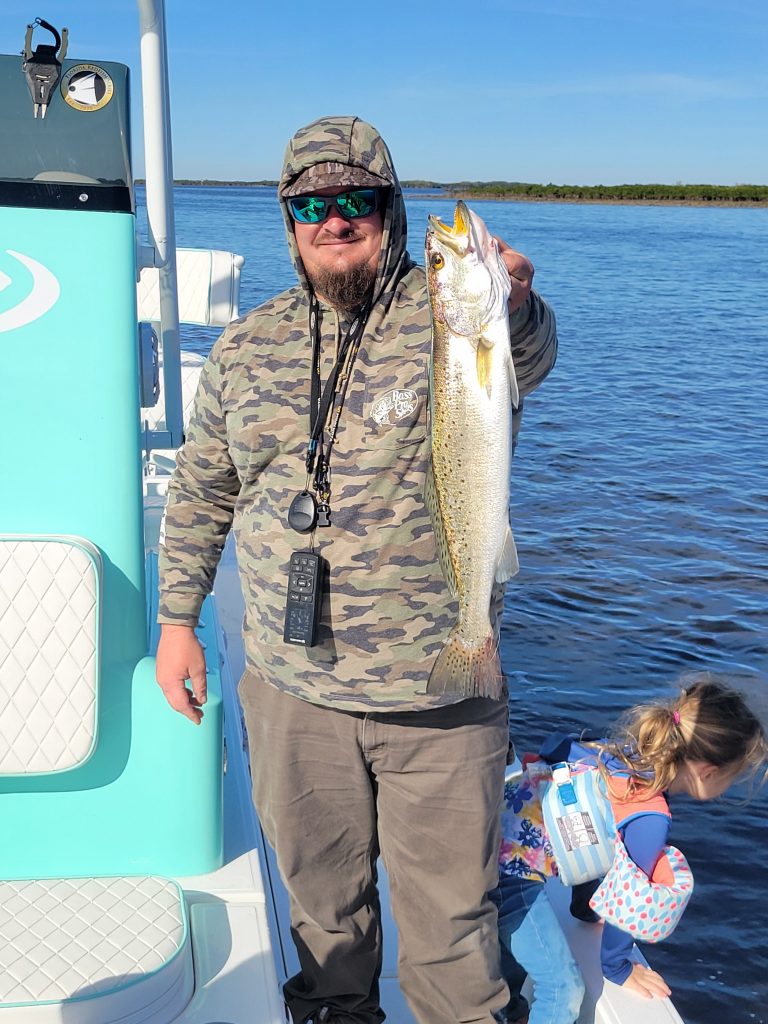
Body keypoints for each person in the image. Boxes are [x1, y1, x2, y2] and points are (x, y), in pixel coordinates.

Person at [155, 114, 558, 1024]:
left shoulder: (452, 315)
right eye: (313, 204)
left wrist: (516, 302)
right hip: (295, 698)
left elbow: (527, 354)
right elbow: (202, 491)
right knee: (325, 928)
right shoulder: (245, 347)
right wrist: (179, 621)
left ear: (392, 210)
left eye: (357, 202)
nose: (335, 221)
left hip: (443, 700)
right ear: (290, 219)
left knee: (455, 937)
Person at [494, 675, 767, 1021]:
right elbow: (631, 895)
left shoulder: (618, 753)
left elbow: (588, 826)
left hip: (488, 838)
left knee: (511, 963)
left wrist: (585, 906)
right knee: (563, 990)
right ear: (709, 772)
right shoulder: (650, 815)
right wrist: (619, 966)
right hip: (510, 876)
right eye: (733, 777)